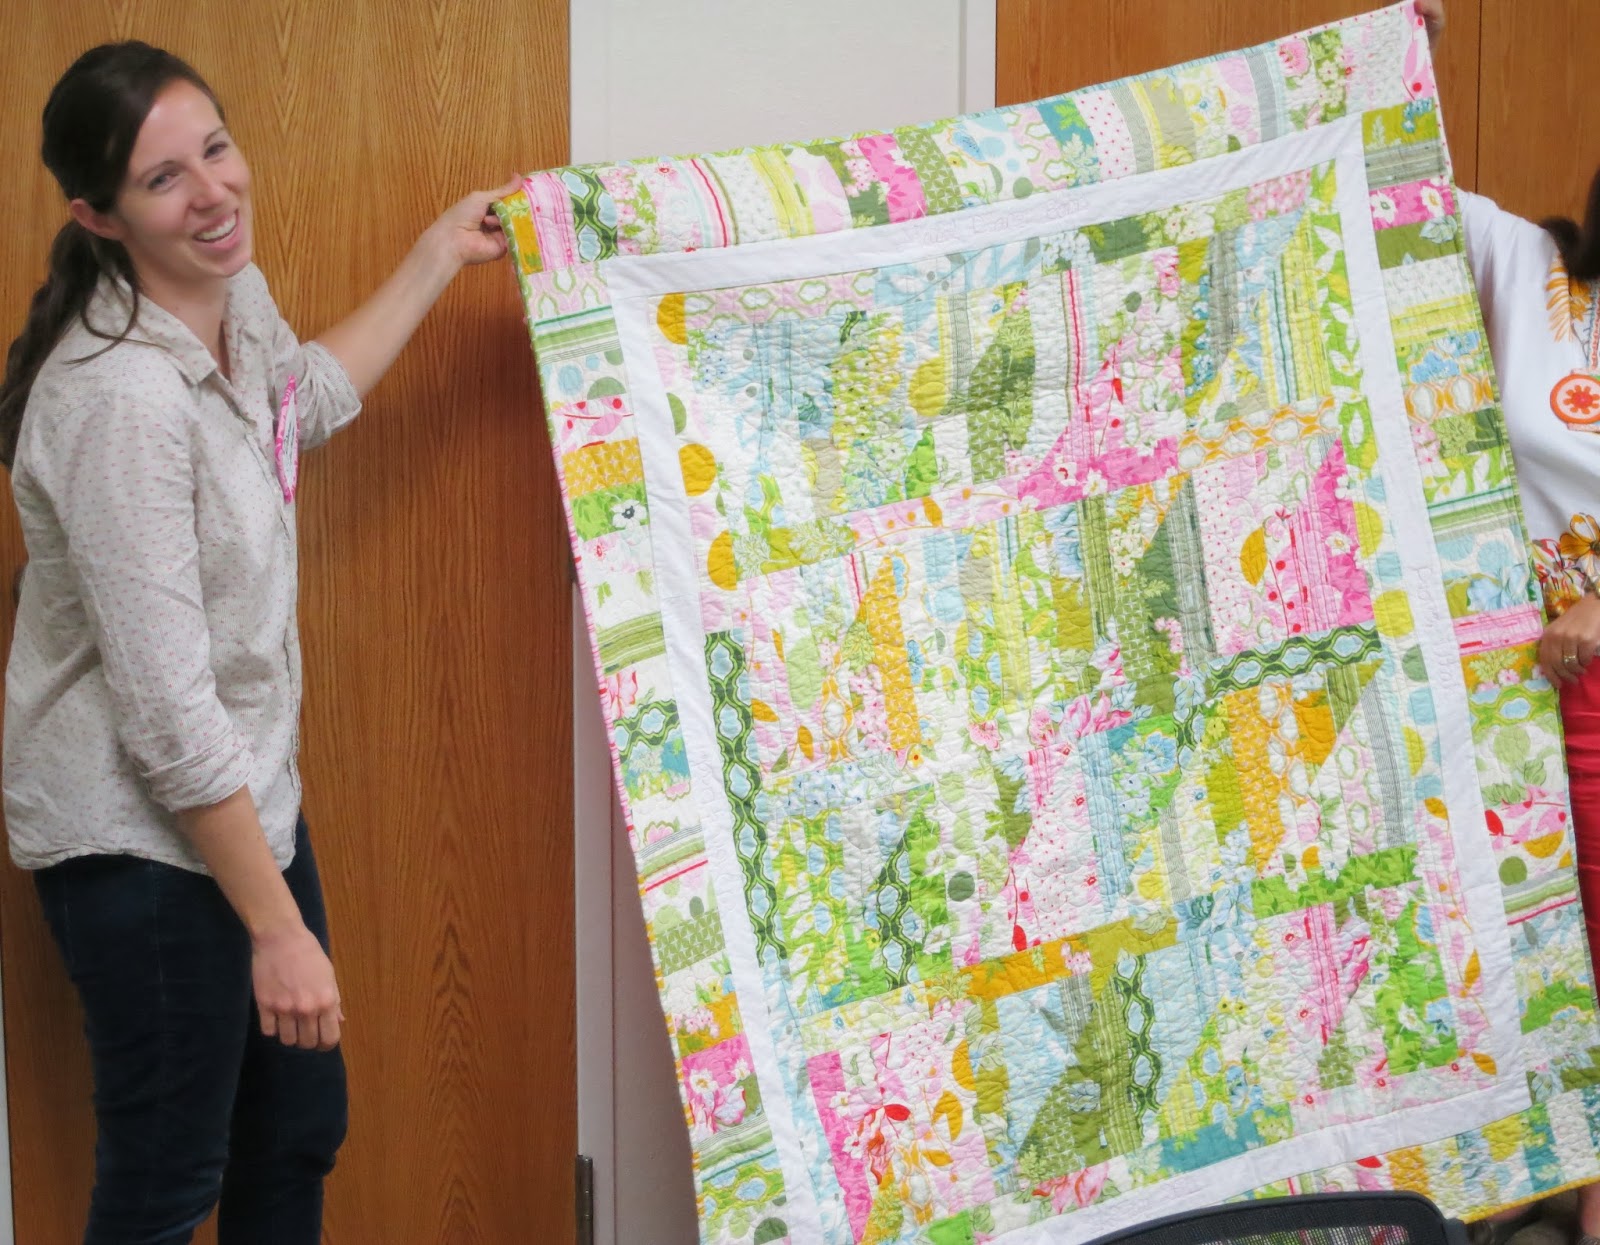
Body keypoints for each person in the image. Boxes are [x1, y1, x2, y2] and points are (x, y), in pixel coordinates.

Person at [0, 41, 517, 1245]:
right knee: (168, 1182)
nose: (213, 193)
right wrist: (277, 932)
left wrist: (438, 254)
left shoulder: (234, 298)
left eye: (215, 151)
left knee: (292, 1134)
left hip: (242, 800)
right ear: (99, 217)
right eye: (163, 179)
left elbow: (299, 407)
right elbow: (167, 717)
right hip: (138, 838)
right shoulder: (118, 401)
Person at [1415, 2, 1600, 1244]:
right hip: (1506, 688)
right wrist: (1406, 49)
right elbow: (1390, 181)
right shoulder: (1532, 269)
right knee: (1510, 964)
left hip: (1598, 695)